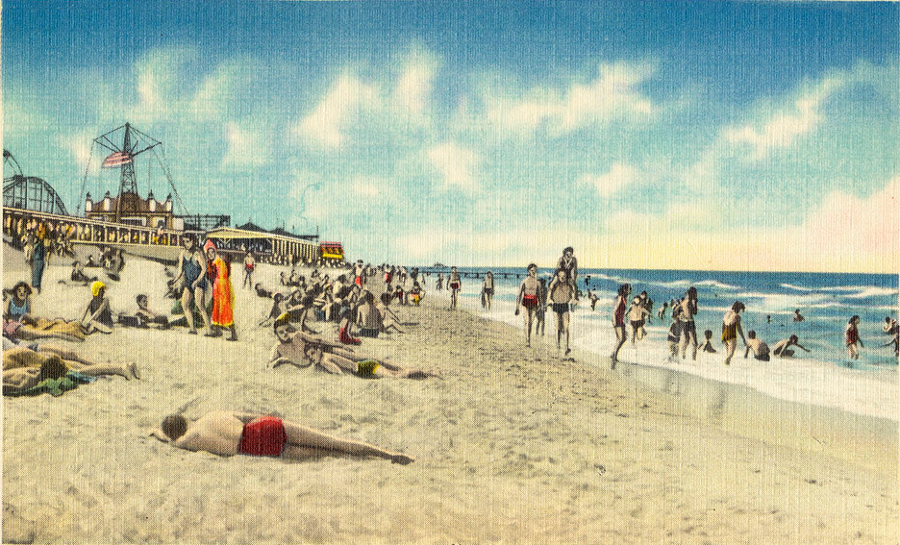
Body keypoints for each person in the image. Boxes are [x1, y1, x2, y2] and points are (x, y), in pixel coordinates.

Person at [150, 409, 413, 463]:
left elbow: (171, 441)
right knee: (333, 441)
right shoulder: (214, 414)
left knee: (328, 453)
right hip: (263, 427)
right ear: (185, 418)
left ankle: (375, 458)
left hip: (255, 447)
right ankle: (385, 453)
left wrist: (155, 433)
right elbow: (248, 414)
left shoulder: (188, 440)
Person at [269, 316, 429, 379]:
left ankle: (401, 368)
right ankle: (403, 371)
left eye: (285, 330)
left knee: (366, 358)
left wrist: (339, 344)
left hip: (325, 351)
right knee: (364, 362)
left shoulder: (297, 336)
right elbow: (272, 362)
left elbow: (318, 340)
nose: (284, 334)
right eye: (280, 332)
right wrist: (280, 361)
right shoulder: (278, 348)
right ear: (276, 334)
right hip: (321, 358)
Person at [4, 342, 140, 395]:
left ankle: (120, 368)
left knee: (74, 371)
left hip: (18, 358)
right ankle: (119, 367)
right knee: (69, 365)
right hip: (18, 355)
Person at [171, 235, 211, 336]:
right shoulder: (182, 254)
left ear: (193, 241)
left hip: (199, 281)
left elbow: (204, 269)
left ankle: (209, 330)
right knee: (185, 304)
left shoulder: (198, 253)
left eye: (188, 241)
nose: (186, 244)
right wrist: (175, 279)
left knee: (200, 305)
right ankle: (192, 329)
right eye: (184, 241)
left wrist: (197, 281)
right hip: (189, 282)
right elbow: (180, 270)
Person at [205, 241, 237, 341]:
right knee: (216, 309)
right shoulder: (213, 262)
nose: (210, 254)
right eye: (208, 253)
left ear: (215, 252)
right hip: (217, 288)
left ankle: (233, 334)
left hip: (222, 289)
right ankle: (218, 331)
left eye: (212, 252)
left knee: (225, 310)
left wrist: (220, 290)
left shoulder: (219, 262)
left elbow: (222, 277)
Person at [547, 269, 575, 355]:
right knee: (557, 327)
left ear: (566, 277)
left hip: (565, 306)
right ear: (557, 277)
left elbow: (573, 294)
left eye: (564, 276)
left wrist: (572, 302)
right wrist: (549, 300)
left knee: (566, 327)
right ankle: (558, 346)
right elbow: (550, 290)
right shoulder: (554, 285)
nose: (562, 278)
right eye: (560, 276)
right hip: (556, 305)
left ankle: (567, 347)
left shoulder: (568, 285)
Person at [515, 264, 541, 347]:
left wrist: (540, 306)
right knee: (527, 321)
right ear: (529, 271)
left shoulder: (537, 283)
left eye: (535, 271)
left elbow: (539, 295)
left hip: (534, 303)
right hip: (526, 302)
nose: (534, 272)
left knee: (531, 323)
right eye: (532, 270)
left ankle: (528, 338)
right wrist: (517, 307)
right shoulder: (524, 281)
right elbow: (519, 294)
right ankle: (527, 341)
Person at [610, 284, 631, 368]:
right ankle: (615, 355)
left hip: (621, 320)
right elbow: (615, 309)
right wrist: (614, 320)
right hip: (617, 320)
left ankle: (613, 353)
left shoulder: (624, 298)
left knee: (623, 338)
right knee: (621, 339)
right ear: (625, 290)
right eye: (628, 289)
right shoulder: (620, 297)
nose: (630, 291)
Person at [26, 224, 49, 294]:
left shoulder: (40, 245)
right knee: (35, 276)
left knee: (37, 277)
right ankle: (36, 289)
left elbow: (45, 253)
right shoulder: (34, 245)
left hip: (39, 262)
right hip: (36, 261)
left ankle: (37, 289)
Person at [678, 287, 699, 360]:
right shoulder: (689, 301)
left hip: (685, 322)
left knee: (687, 341)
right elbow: (694, 312)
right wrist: (695, 303)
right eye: (695, 293)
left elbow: (692, 312)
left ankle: (683, 357)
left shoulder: (685, 301)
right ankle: (693, 359)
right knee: (694, 343)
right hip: (689, 322)